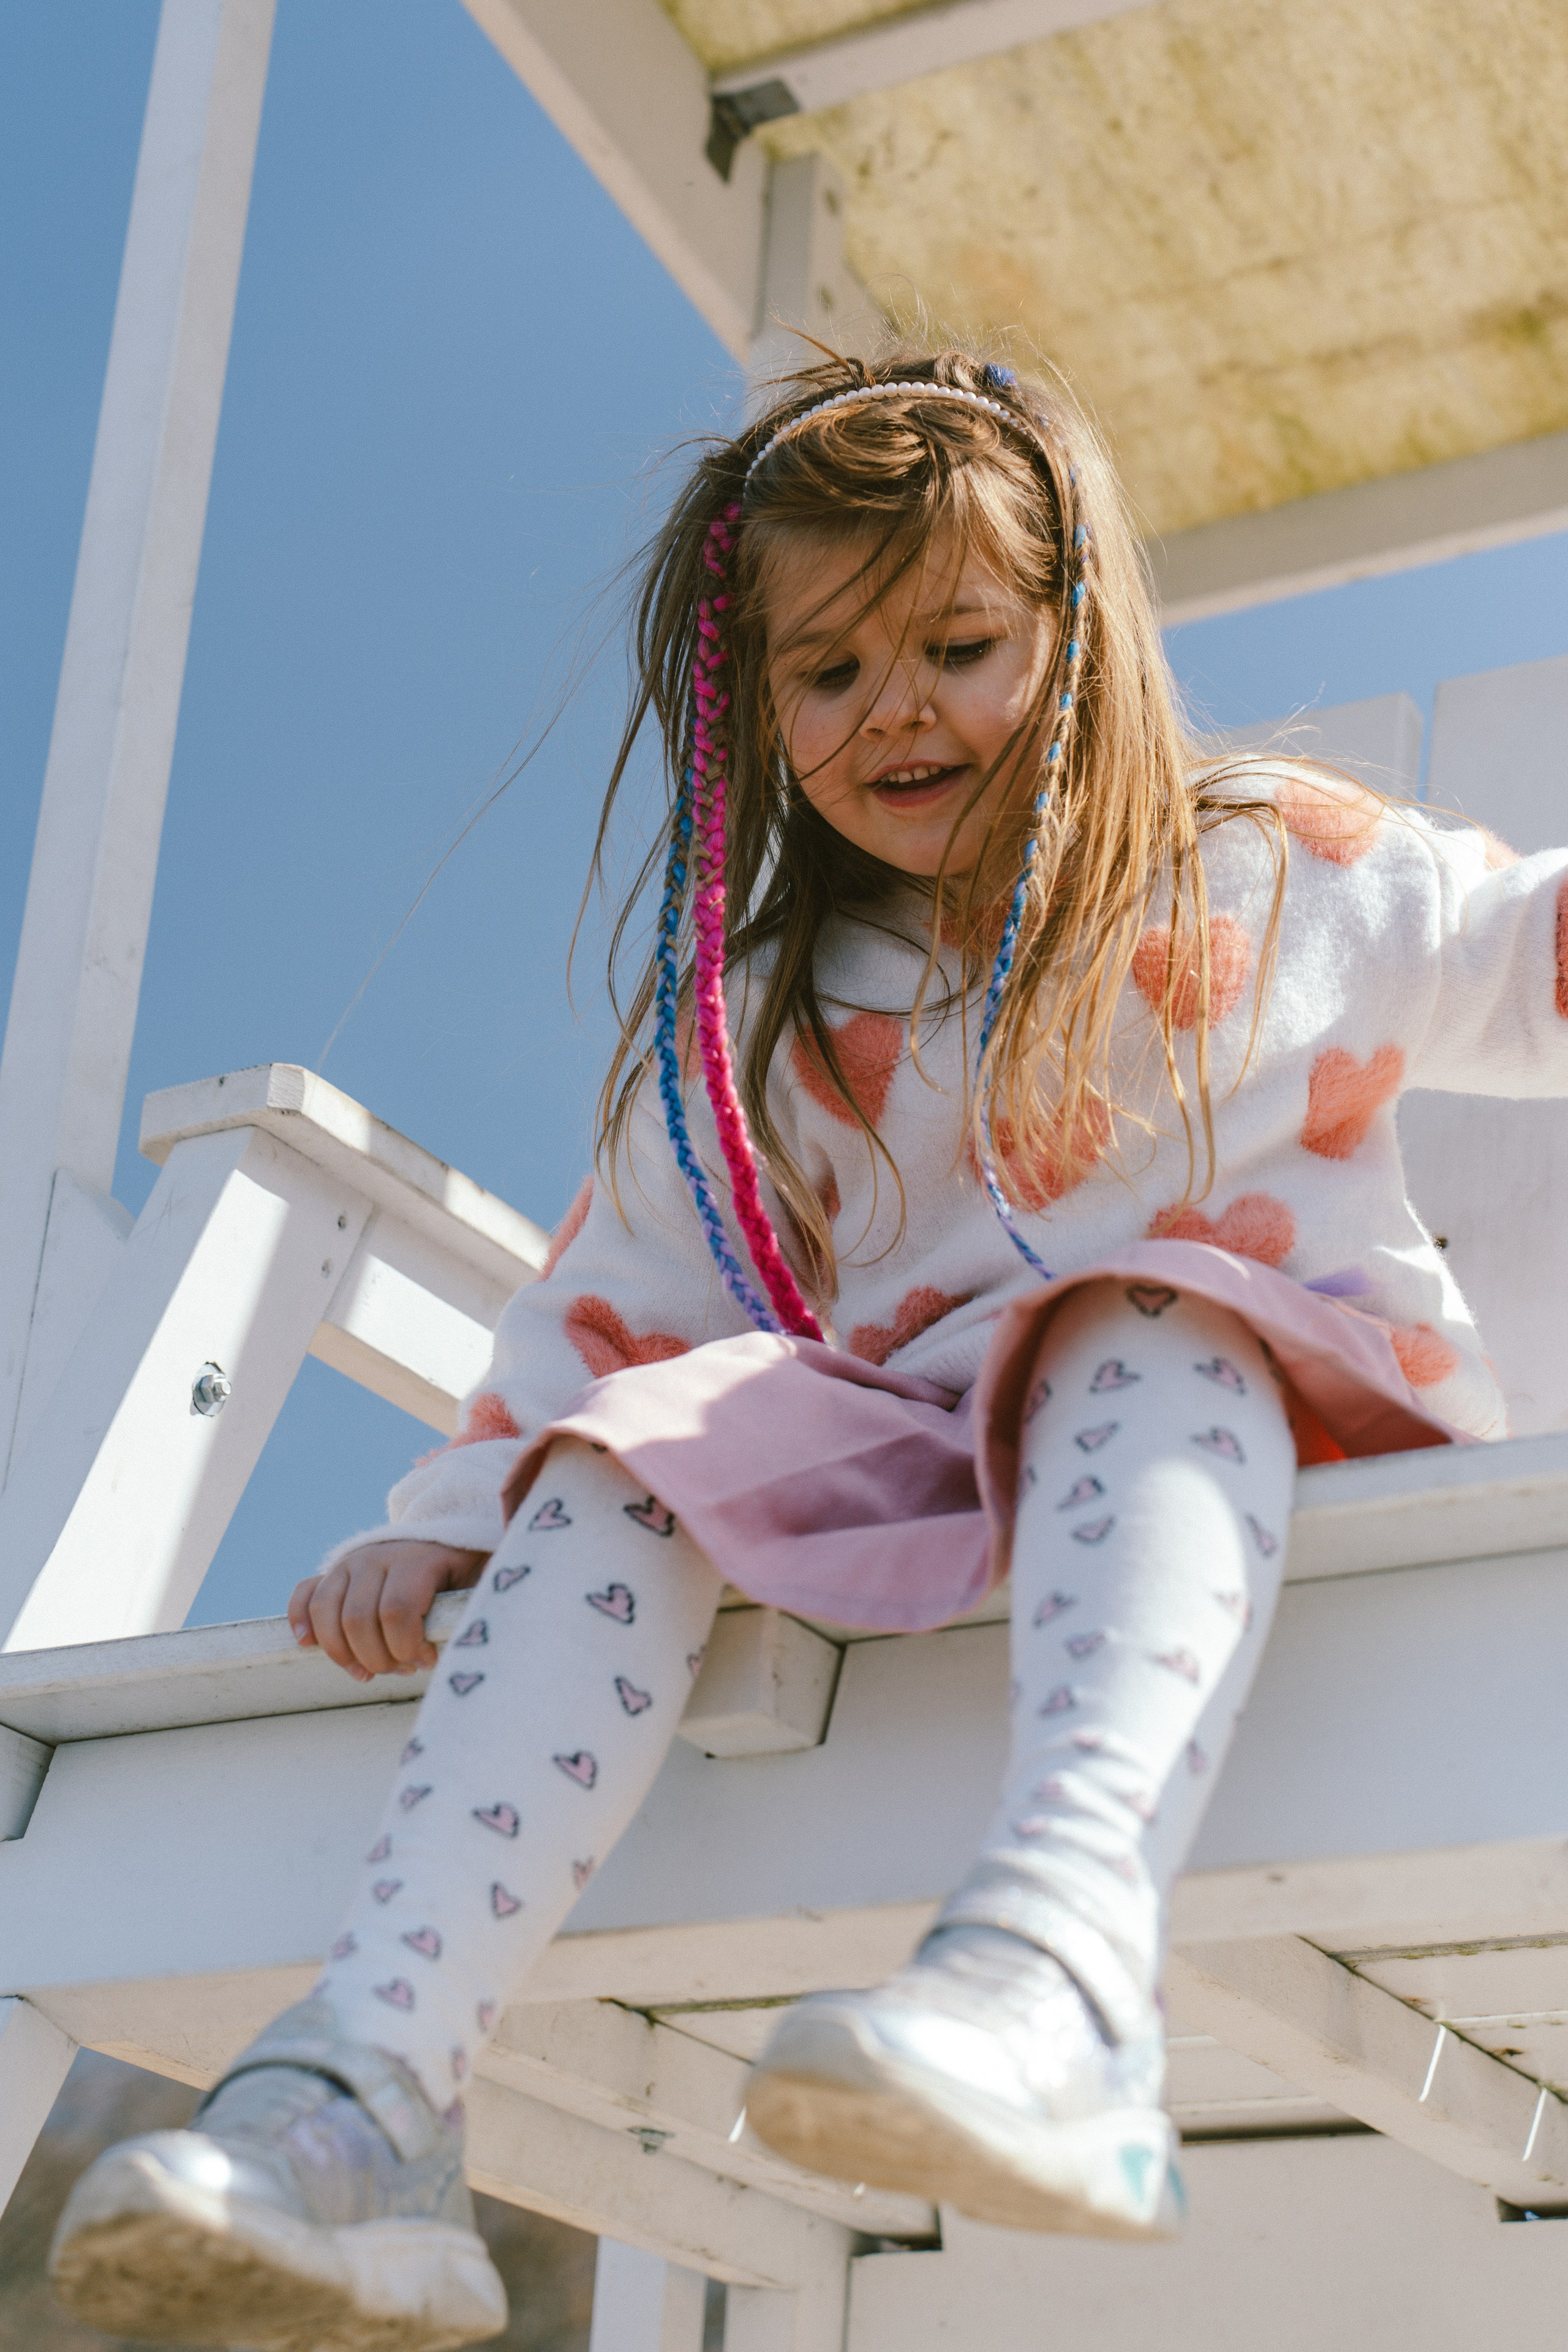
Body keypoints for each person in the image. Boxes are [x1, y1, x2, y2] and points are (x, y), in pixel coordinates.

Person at [50, 349, 1567, 2350]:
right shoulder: (765, 1018)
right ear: (758, 705)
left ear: (1080, 635)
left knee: (1134, 1306)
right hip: (923, 1489)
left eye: (959, 642)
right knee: (630, 1440)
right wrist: (453, 1511)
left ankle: (1061, 1980)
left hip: (1278, 1439)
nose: (896, 711)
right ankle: (367, 2097)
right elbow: (621, 1300)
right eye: (829, 673)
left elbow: (1515, 954)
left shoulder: (1275, 870)